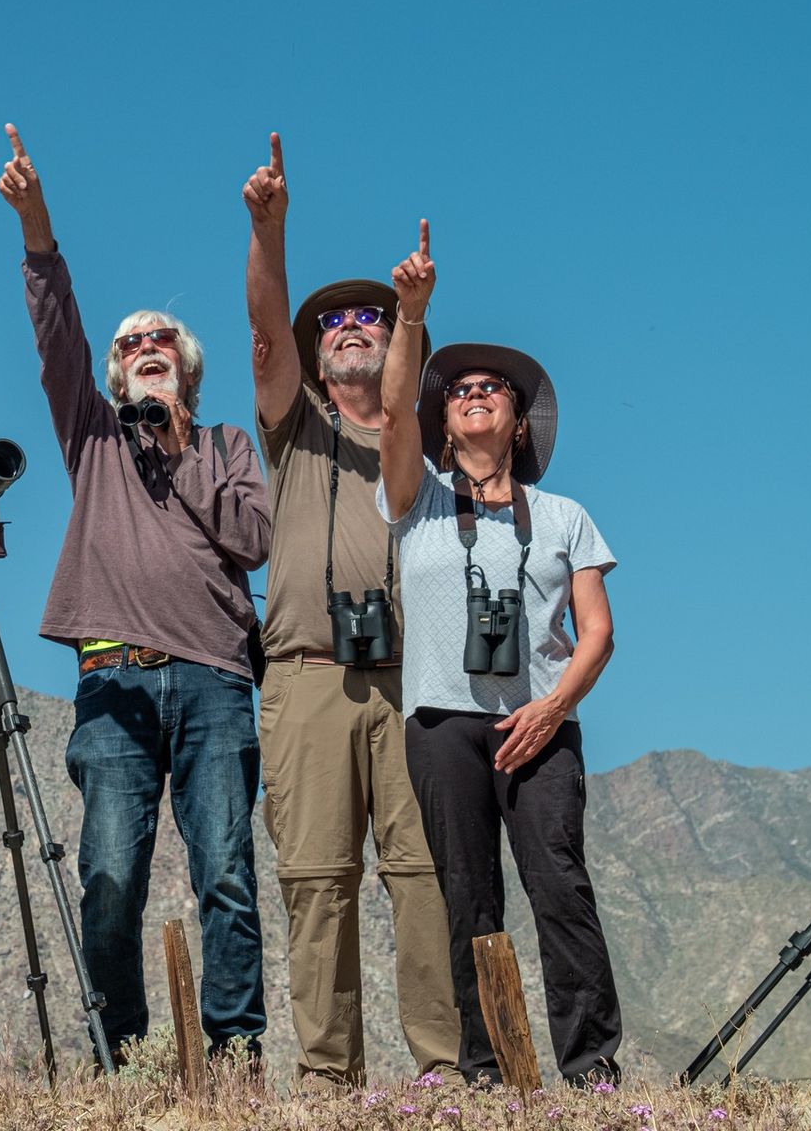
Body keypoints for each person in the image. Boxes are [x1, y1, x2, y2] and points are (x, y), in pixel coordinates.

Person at [0, 124, 271, 1061]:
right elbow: (54, 331)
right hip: (113, 681)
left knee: (226, 874)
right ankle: (126, 1056)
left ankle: (235, 1057)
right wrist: (37, 222)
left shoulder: (227, 447)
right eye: (130, 345)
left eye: (160, 342)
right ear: (115, 373)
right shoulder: (93, 436)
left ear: (184, 368)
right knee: (109, 873)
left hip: (215, 682)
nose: (143, 347)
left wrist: (181, 448)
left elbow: (252, 540)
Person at [380, 223, 622, 1087]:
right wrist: (412, 318)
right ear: (443, 424)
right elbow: (393, 413)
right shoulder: (418, 502)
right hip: (443, 720)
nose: (476, 393)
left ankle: (592, 1069)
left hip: (539, 722)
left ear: (518, 422)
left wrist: (553, 709)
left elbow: (597, 632)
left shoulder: (564, 517)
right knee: (468, 898)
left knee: (559, 887)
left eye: (495, 390)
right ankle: (486, 1072)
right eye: (462, 391)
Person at [242, 135, 461, 1089]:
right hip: (307, 675)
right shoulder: (293, 430)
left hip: (415, 682)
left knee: (422, 878)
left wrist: (413, 314)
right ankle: (330, 1081)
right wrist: (269, 229)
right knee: (316, 883)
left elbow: (406, 399)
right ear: (313, 351)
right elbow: (261, 331)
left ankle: (442, 1071)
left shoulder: (426, 446)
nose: (349, 326)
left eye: (368, 316)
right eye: (331, 322)